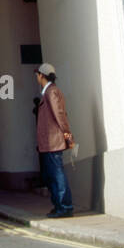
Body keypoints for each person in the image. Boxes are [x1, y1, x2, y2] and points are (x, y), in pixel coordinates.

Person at [34, 63, 75, 217]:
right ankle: (59, 205)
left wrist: (69, 138)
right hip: (47, 144)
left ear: (41, 76)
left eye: (37, 74)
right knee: (51, 176)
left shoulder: (52, 92)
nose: (36, 77)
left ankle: (65, 207)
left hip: (54, 143)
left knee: (57, 175)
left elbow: (61, 116)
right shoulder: (47, 92)